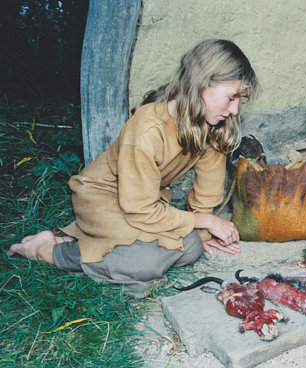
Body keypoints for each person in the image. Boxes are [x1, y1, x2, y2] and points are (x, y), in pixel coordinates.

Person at [8, 39, 258, 298]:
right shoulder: (148, 128)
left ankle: (82, 242)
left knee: (192, 246)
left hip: (141, 204)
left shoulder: (210, 125)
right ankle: (48, 251)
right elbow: (140, 208)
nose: (235, 109)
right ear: (203, 83)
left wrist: (204, 231)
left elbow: (207, 192)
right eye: (232, 97)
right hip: (103, 197)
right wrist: (205, 221)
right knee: (145, 263)